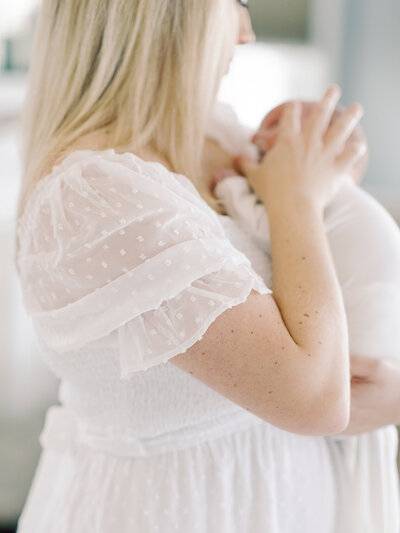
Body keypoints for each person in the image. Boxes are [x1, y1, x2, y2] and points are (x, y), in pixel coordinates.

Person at [13, 1, 398, 532]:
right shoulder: (95, 197)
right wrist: (298, 198)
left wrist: (332, 171)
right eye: (232, 3)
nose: (247, 32)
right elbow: (314, 397)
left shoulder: (213, 131)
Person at [210, 99, 400, 531]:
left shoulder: (324, 196)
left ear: (328, 149)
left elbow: (267, 225)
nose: (258, 136)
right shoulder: (346, 204)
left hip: (358, 360)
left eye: (278, 125)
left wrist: (229, 188)